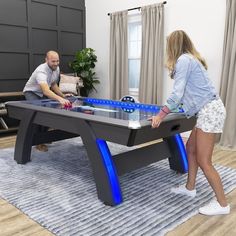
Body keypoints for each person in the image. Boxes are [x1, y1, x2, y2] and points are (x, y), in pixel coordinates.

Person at [149, 30, 230, 216]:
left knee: (204, 160)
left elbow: (177, 94)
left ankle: (222, 204)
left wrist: (161, 115)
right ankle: (190, 187)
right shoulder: (190, 59)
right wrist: (174, 110)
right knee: (191, 148)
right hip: (207, 110)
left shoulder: (183, 60)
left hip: (210, 110)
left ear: (172, 46)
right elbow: (190, 95)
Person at [23, 50, 72, 152]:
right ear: (46, 60)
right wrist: (60, 99)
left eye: (57, 61)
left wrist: (63, 95)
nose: (56, 63)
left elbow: (53, 84)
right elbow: (46, 90)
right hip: (32, 92)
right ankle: (38, 143)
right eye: (53, 61)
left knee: (49, 113)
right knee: (38, 114)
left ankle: (44, 136)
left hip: (43, 93)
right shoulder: (41, 71)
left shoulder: (56, 68)